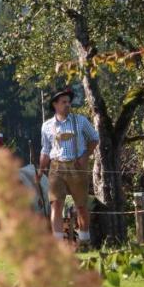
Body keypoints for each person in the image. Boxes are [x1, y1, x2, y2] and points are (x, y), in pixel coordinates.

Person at [37, 87, 99, 247]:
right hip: (56, 166)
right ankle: (58, 245)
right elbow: (45, 149)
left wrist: (85, 156)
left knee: (81, 205)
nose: (67, 105)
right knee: (56, 204)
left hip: (76, 166)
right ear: (55, 105)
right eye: (64, 102)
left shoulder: (80, 120)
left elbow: (94, 138)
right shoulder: (47, 126)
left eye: (68, 102)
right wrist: (40, 169)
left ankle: (85, 241)